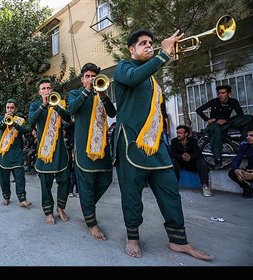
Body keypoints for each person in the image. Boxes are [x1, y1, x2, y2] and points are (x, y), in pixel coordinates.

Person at [113, 29, 213, 260]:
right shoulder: (124, 67)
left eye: (151, 43)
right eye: (143, 43)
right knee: (132, 196)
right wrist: (164, 53)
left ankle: (179, 241)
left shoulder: (152, 78)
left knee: (170, 192)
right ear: (132, 49)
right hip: (131, 144)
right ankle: (132, 238)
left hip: (156, 146)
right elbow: (132, 78)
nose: (149, 46)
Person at [68, 63, 116, 240]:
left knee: (106, 178)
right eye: (87, 76)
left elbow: (112, 113)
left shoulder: (101, 93)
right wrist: (87, 91)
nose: (90, 79)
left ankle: (86, 205)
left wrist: (103, 97)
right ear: (82, 79)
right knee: (86, 184)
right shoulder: (76, 93)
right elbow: (71, 109)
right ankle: (92, 223)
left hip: (102, 147)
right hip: (83, 148)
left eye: (93, 76)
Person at [28, 78, 71, 224]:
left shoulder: (59, 102)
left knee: (64, 179)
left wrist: (56, 106)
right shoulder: (35, 105)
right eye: (44, 89)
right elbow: (31, 121)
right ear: (40, 92)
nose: (47, 90)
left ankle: (60, 208)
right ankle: (48, 211)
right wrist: (43, 106)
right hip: (44, 151)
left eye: (49, 88)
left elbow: (68, 118)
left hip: (59, 150)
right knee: (45, 182)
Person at [196, 84, 253, 169]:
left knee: (249, 118)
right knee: (216, 130)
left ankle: (244, 143)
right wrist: (207, 119)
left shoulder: (233, 101)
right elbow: (198, 110)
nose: (220, 95)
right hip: (215, 124)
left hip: (228, 122)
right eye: (219, 93)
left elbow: (240, 114)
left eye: (223, 93)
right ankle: (217, 158)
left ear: (229, 93)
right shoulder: (214, 101)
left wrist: (227, 120)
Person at [0, 99, 31, 207]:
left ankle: (22, 199)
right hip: (4, 154)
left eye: (12, 108)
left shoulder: (20, 120)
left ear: (15, 109)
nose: (9, 110)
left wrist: (14, 123)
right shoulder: (0, 118)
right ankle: (6, 197)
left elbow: (25, 130)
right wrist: (3, 121)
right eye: (8, 107)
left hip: (16, 153)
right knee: (4, 178)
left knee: (20, 178)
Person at [171, 125, 211, 197]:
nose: (178, 135)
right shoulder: (174, 141)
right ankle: (174, 186)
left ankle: (205, 186)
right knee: (173, 161)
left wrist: (190, 157)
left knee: (201, 162)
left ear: (186, 134)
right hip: (180, 164)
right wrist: (181, 156)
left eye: (180, 133)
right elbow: (173, 154)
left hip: (192, 164)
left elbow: (198, 154)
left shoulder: (192, 141)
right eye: (177, 133)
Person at [228, 125, 253, 198]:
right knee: (232, 173)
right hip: (249, 173)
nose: (248, 137)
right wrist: (236, 170)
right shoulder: (245, 145)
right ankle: (247, 188)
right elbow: (237, 159)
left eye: (251, 135)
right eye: (247, 135)